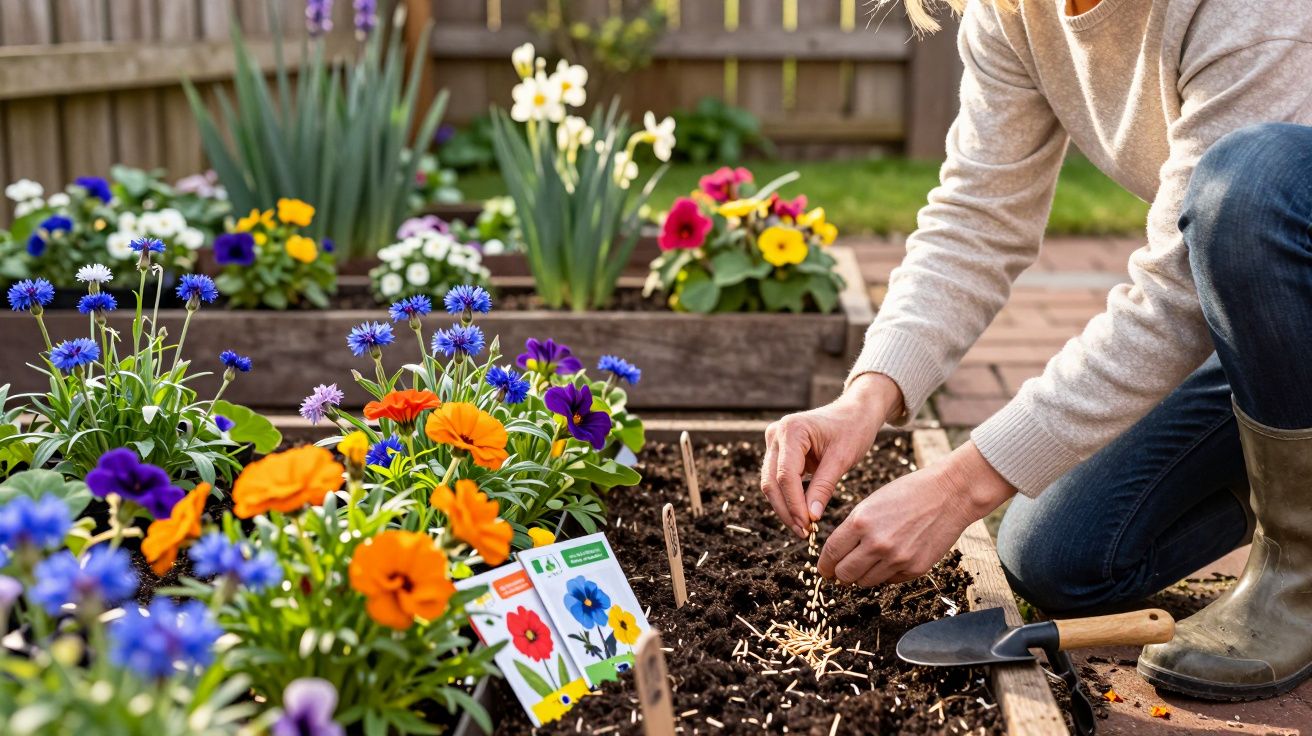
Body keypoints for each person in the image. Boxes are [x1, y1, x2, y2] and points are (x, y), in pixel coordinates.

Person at [760, 0, 1312, 701]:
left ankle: (1300, 573)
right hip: (1283, 314)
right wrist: (865, 396)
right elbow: (977, 220)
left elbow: (1176, 290)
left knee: (1250, 184)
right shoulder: (1015, 9)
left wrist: (960, 486)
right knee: (1058, 554)